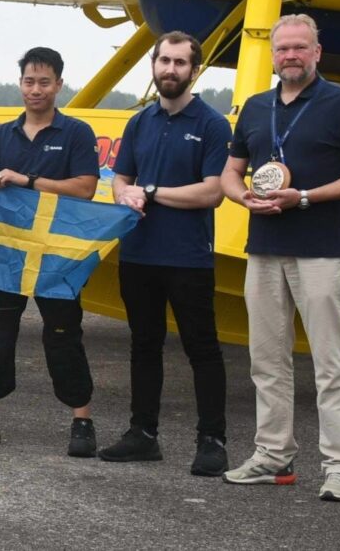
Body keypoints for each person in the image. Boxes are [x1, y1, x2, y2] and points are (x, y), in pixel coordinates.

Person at [219, 14, 340, 502]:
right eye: (282, 48)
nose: (290, 55)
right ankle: (273, 456)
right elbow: (232, 171)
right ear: (272, 55)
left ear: (317, 52)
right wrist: (241, 197)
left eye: (299, 47)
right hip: (264, 249)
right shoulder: (254, 107)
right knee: (266, 361)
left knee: (330, 364)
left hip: (321, 250)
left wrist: (307, 197)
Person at [0, 46, 102, 456]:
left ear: (59, 84)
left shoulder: (76, 132)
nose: (35, 89)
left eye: (44, 82)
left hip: (57, 257)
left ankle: (82, 420)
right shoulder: (2, 135)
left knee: (63, 338)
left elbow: (86, 188)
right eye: (28, 81)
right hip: (5, 254)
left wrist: (27, 180)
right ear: (19, 84)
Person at [100, 31, 233, 474]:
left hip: (188, 257)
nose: (170, 70)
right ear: (153, 66)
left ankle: (212, 440)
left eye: (179, 63)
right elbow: (121, 179)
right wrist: (126, 195)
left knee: (202, 349)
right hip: (138, 254)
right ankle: (143, 434)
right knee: (144, 345)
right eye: (164, 61)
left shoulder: (213, 125)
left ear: (194, 70)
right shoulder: (139, 122)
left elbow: (213, 192)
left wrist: (151, 192)